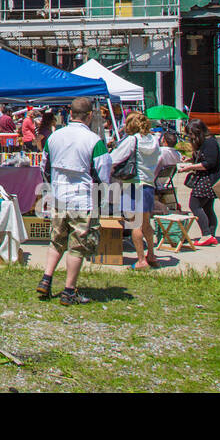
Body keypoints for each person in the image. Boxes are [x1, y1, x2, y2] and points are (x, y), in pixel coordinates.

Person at [36, 97, 107, 305]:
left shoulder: (55, 137)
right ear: (90, 115)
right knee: (77, 245)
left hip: (59, 196)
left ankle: (46, 279)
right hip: (82, 199)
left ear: (69, 114)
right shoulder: (94, 141)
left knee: (56, 239)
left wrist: (52, 186)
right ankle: (69, 290)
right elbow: (102, 172)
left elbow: (44, 166)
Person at [111, 111, 162, 270]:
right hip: (148, 183)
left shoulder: (132, 140)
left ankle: (141, 260)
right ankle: (151, 255)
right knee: (146, 223)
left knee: (135, 225)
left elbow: (114, 158)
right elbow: (158, 157)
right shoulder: (153, 140)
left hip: (133, 185)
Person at [179, 118, 220, 246]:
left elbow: (208, 163)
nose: (190, 137)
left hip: (208, 178)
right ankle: (211, 234)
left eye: (191, 134)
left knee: (195, 205)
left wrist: (190, 167)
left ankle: (206, 234)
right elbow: (203, 158)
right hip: (207, 177)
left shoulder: (210, 142)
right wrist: (190, 159)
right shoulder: (205, 142)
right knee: (207, 207)